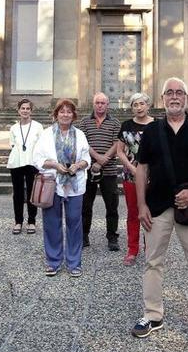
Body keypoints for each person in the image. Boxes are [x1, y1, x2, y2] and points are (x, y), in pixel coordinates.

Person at [131, 77, 188, 349]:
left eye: (179, 92)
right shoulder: (153, 131)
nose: (174, 97)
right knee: (153, 262)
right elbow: (142, 168)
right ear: (162, 98)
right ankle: (152, 314)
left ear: (186, 98)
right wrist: (141, 205)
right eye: (169, 92)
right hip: (157, 206)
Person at [33, 99, 91, 277]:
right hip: (53, 183)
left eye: (69, 112)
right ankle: (53, 261)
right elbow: (37, 159)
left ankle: (74, 263)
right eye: (62, 111)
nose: (65, 114)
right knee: (52, 223)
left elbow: (87, 158)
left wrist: (78, 165)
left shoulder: (80, 134)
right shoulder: (46, 134)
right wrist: (54, 164)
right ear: (56, 114)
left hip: (75, 185)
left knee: (74, 223)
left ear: (74, 115)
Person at [77, 92, 121, 251]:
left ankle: (112, 237)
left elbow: (117, 144)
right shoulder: (84, 122)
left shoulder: (115, 123)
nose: (100, 105)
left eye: (103, 103)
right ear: (93, 104)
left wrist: (104, 159)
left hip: (109, 172)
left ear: (107, 104)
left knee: (112, 206)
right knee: (85, 206)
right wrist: (96, 159)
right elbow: (83, 143)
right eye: (97, 102)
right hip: (88, 170)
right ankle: (83, 236)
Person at [114, 92, 153, 265]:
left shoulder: (157, 125)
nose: (138, 107)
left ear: (148, 105)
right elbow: (119, 151)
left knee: (152, 213)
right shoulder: (126, 125)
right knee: (133, 213)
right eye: (135, 105)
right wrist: (132, 168)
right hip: (131, 176)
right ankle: (132, 249)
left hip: (153, 177)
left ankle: (150, 249)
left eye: (141, 104)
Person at [8, 98, 44, 235]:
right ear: (18, 110)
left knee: (31, 193)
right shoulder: (13, 128)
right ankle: (18, 221)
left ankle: (32, 221)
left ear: (31, 111)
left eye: (27, 108)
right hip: (17, 162)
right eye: (22, 108)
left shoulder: (38, 126)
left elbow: (41, 146)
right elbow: (12, 144)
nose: (25, 111)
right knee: (17, 193)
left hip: (32, 162)